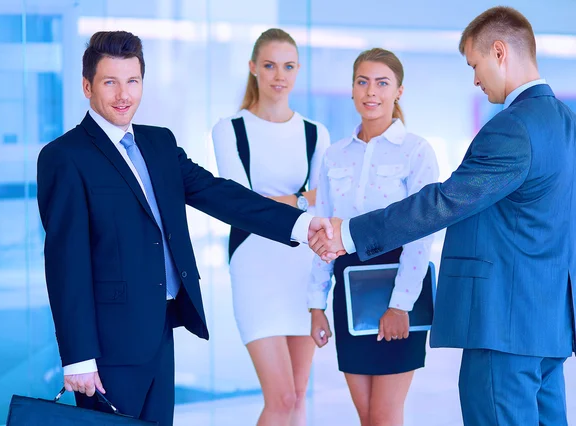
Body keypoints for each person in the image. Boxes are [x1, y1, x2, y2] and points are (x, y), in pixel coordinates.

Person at [36, 30, 332, 426]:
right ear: (87, 86)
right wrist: (78, 357)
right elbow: (65, 266)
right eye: (110, 82)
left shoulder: (158, 144)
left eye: (133, 81)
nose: (124, 94)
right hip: (107, 347)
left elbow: (223, 196)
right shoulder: (64, 157)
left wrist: (303, 224)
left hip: (160, 330)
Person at [310, 6, 576, 426]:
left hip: (502, 322)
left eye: (475, 64)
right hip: (548, 323)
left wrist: (352, 233)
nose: (475, 78)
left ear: (500, 52)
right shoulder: (566, 122)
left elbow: (446, 201)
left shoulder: (513, 127)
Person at [307, 48, 439, 426]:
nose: (371, 92)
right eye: (362, 82)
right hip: (348, 293)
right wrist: (316, 303)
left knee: (383, 417)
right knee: (367, 418)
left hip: (400, 289)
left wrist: (401, 305)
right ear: (351, 90)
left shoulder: (416, 151)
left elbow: (421, 234)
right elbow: (323, 232)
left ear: (398, 91)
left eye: (382, 83)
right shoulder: (334, 155)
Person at [212, 28, 330, 426]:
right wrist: (300, 200)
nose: (279, 75)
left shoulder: (316, 133)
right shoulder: (230, 129)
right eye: (270, 65)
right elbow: (237, 204)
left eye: (289, 66)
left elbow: (325, 202)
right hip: (254, 266)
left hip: (301, 267)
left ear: (298, 71)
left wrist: (273, 202)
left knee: (297, 397)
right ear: (253, 68)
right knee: (280, 398)